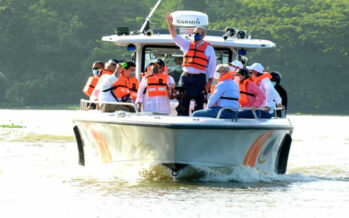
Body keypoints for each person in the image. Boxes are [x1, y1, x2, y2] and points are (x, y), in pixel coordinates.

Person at [166, 13, 216, 116]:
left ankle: (198, 120)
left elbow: (212, 66)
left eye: (198, 33)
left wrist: (210, 81)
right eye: (195, 33)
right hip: (186, 78)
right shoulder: (187, 44)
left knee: (200, 102)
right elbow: (175, 36)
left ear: (203, 35)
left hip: (200, 78)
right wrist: (170, 24)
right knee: (183, 101)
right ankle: (182, 119)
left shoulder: (209, 48)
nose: (196, 35)